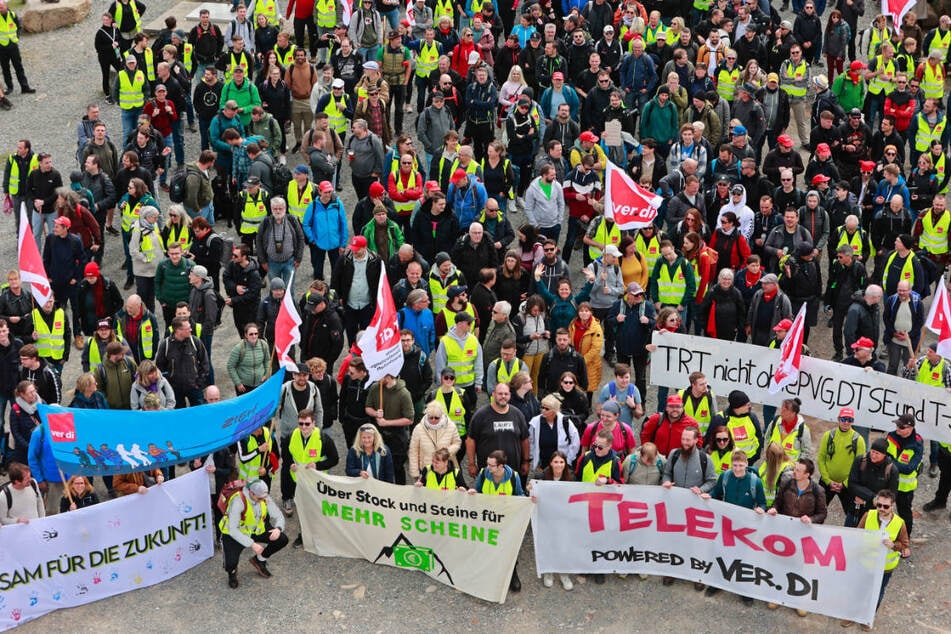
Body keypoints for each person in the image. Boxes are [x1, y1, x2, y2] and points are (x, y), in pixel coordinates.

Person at [220, 479, 289, 588]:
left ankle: (259, 560)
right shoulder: (238, 502)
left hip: (255, 529)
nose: (263, 500)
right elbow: (233, 530)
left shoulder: (263, 497)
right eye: (260, 498)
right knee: (230, 563)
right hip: (236, 534)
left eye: (264, 497)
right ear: (251, 493)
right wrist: (252, 544)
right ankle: (232, 573)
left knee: (282, 539)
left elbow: (278, 515)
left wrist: (278, 528)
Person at [472, 450, 524, 591]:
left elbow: (520, 496)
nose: (488, 467)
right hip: (487, 519)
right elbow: (477, 491)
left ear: (501, 466)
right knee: (488, 547)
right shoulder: (483, 474)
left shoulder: (514, 477)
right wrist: (472, 493)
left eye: (491, 465)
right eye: (488, 464)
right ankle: (490, 574)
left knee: (508, 548)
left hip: (506, 521)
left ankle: (512, 573)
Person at [364, 373, 414, 485]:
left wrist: (387, 423)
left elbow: (409, 419)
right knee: (379, 465)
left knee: (397, 467)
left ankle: (400, 493)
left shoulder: (404, 394)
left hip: (397, 436)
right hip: (379, 434)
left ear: (388, 377)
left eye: (380, 375)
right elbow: (368, 407)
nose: (377, 378)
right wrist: (376, 413)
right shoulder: (375, 387)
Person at [846, 437, 899, 527]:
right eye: (872, 452)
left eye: (877, 453)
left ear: (884, 455)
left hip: (876, 512)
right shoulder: (860, 460)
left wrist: (868, 499)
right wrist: (873, 498)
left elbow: (892, 495)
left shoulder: (891, 470)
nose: (873, 455)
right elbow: (851, 484)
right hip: (856, 508)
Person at [885, 413, 924, 535]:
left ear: (910, 429)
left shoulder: (917, 443)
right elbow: (883, 457)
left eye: (901, 427)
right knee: (883, 510)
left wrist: (890, 462)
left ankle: (905, 540)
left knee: (904, 514)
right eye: (897, 425)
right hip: (888, 482)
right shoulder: (891, 436)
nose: (897, 429)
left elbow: (909, 469)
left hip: (905, 488)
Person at [528, 394, 581, 475]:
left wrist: (568, 461)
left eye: (547, 409)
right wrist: (534, 461)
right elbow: (531, 441)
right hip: (543, 466)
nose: (543, 410)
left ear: (554, 410)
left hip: (561, 466)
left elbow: (575, 442)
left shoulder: (565, 421)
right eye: (542, 407)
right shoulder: (535, 422)